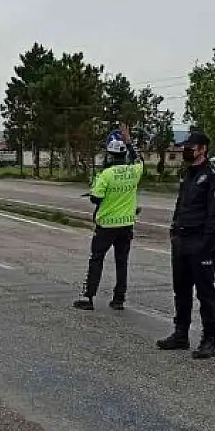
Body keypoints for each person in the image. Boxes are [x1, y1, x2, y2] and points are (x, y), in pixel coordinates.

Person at [156, 131, 215, 359]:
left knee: (205, 292)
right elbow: (180, 204)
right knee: (181, 289)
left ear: (203, 149)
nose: (187, 150)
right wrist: (174, 229)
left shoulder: (213, 176)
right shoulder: (188, 174)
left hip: (201, 242)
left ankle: (209, 340)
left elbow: (214, 215)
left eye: (192, 147)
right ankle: (180, 333)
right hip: (182, 240)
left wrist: (207, 245)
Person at [74, 124, 143, 311]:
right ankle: (119, 299)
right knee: (122, 262)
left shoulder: (105, 175)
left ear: (109, 153)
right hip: (126, 224)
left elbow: (96, 198)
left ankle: (88, 297)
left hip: (106, 225)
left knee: (96, 259)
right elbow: (139, 159)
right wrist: (130, 142)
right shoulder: (134, 171)